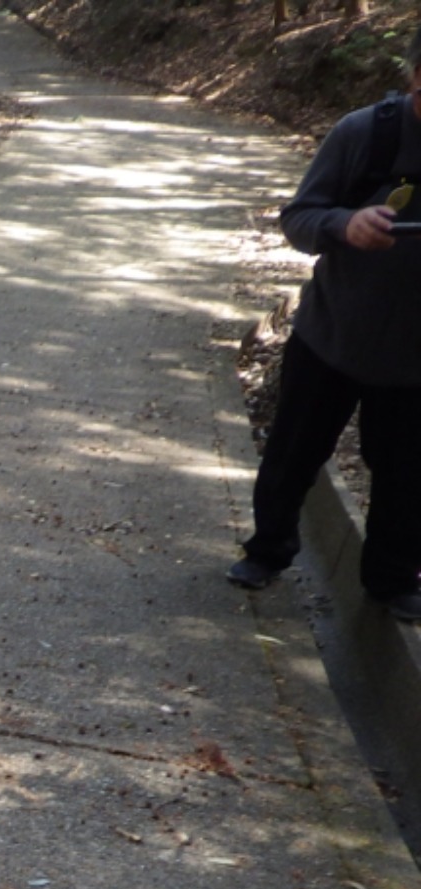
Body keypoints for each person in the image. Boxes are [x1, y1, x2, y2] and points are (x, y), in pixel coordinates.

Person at [229, 24, 421, 621]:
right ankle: (267, 552)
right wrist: (344, 225)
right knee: (293, 452)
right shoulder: (366, 133)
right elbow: (299, 217)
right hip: (332, 335)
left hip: (414, 358)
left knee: (406, 476)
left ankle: (391, 581)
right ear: (417, 75)